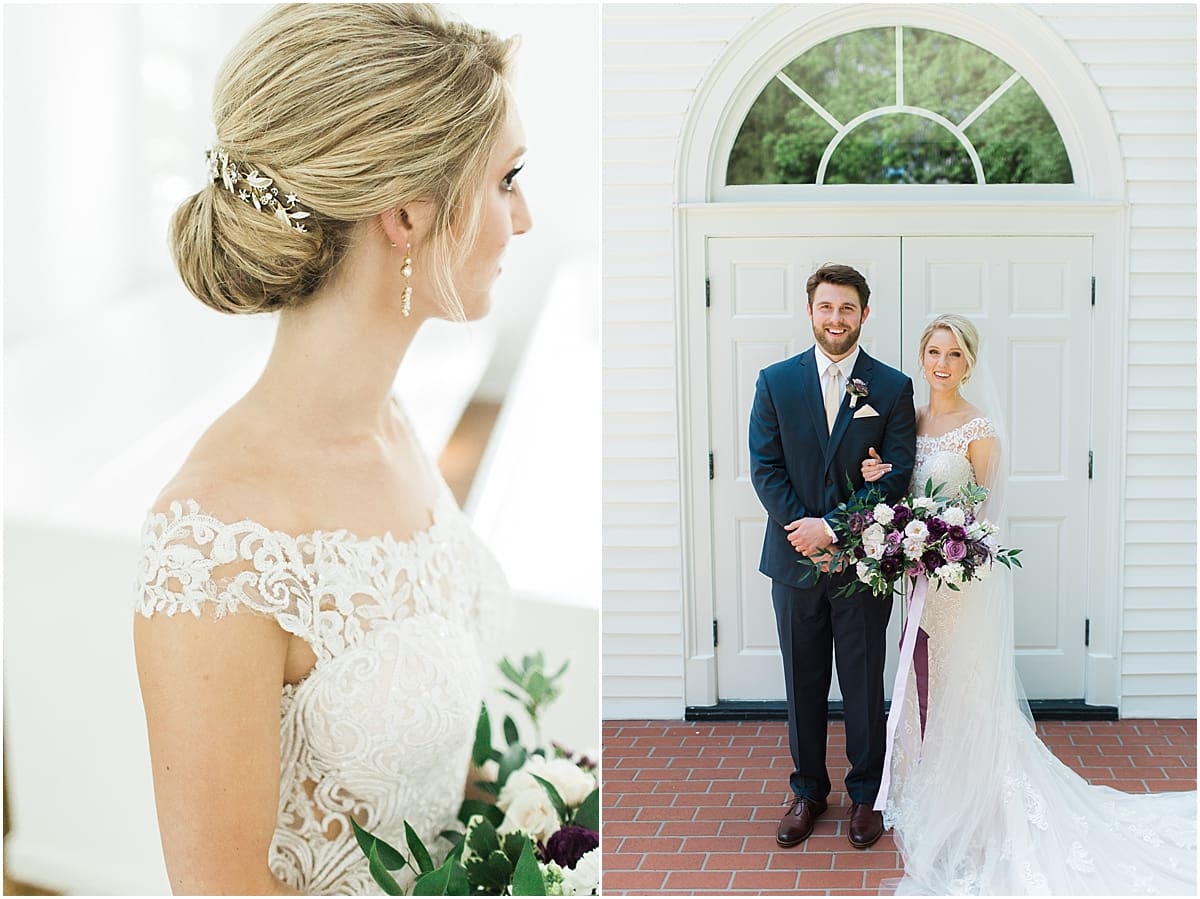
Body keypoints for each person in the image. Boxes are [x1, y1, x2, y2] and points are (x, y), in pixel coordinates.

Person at [133, 5, 531, 894]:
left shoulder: (391, 422)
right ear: (408, 213)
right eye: (508, 180)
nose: (525, 218)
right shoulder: (213, 541)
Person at [863, 314, 1197, 894]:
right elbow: (899, 487)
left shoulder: (978, 426)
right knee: (926, 681)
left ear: (970, 362)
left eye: (956, 354)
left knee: (962, 684)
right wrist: (882, 483)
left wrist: (945, 548)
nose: (943, 363)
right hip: (919, 576)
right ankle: (925, 781)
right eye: (935, 351)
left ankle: (975, 796)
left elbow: (987, 513)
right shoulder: (909, 418)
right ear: (922, 355)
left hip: (959, 581)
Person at [748, 263, 917, 850]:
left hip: (860, 563)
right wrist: (804, 530)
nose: (836, 318)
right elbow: (764, 469)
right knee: (803, 680)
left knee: (864, 682)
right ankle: (808, 790)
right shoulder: (775, 382)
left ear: (864, 314)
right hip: (793, 560)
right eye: (827, 307)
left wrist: (835, 528)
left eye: (848, 308)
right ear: (810, 311)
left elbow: (895, 476)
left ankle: (867, 793)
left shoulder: (891, 387)